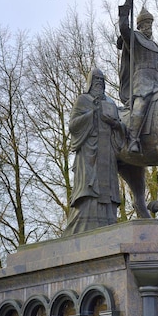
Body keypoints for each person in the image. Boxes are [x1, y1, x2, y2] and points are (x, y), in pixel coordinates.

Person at [64, 68, 124, 235]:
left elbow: (122, 128)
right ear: (90, 81)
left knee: (108, 192)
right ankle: (83, 225)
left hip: (108, 155)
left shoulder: (111, 103)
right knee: (90, 189)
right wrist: (93, 113)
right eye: (96, 79)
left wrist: (115, 124)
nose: (99, 82)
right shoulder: (83, 100)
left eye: (101, 79)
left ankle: (108, 222)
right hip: (89, 152)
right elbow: (73, 125)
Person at [117, 0, 158, 153]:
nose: (149, 28)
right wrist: (126, 7)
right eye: (146, 25)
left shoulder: (156, 46)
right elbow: (123, 27)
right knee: (140, 107)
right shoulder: (135, 39)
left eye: (150, 25)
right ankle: (133, 139)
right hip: (142, 85)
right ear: (140, 26)